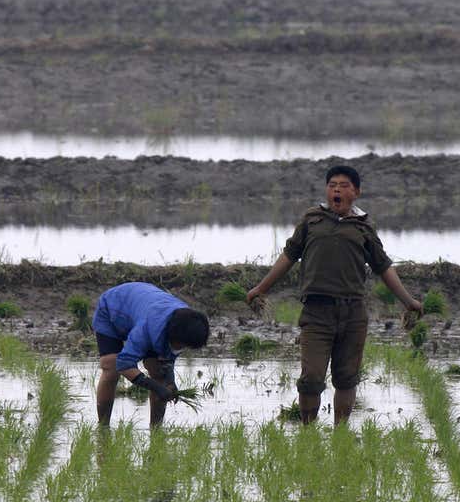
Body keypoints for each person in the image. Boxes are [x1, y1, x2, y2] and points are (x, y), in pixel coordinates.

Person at [246, 165, 422, 425]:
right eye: (332, 185)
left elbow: (383, 267)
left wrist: (409, 302)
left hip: (353, 313)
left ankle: (341, 435)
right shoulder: (312, 219)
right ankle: (308, 433)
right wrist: (261, 288)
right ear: (327, 191)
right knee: (311, 379)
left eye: (344, 185)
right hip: (317, 312)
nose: (337, 189)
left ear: (356, 192)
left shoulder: (364, 227)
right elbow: (288, 256)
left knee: (347, 377)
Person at [93, 282, 210, 428]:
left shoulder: (187, 323)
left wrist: (169, 382)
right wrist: (155, 387)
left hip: (145, 311)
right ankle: (103, 427)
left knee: (158, 372)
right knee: (111, 367)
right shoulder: (146, 328)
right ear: (171, 336)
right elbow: (124, 364)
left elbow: (167, 360)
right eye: (182, 345)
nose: (182, 349)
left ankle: (156, 431)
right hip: (113, 309)